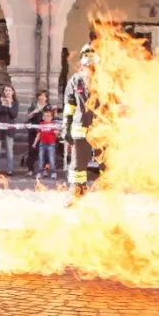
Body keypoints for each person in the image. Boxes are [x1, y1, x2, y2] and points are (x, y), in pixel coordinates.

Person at [63, 44, 98, 200]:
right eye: (86, 54)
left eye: (92, 54)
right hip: (80, 128)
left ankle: (108, 196)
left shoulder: (105, 79)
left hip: (101, 129)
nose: (89, 58)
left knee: (107, 165)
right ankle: (78, 193)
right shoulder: (75, 80)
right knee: (78, 165)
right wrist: (66, 126)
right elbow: (69, 106)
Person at [0, 84, 18, 176]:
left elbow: (14, 115)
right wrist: (3, 105)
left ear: (13, 92)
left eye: (9, 90)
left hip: (9, 129)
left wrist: (10, 104)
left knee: (9, 150)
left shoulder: (15, 102)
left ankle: (9, 169)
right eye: (6, 90)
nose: (7, 92)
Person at [25, 90, 52, 174]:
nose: (41, 97)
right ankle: (30, 169)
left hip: (45, 131)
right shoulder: (33, 105)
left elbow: (51, 118)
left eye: (43, 96)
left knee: (45, 150)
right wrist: (34, 111)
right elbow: (28, 116)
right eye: (40, 95)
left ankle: (45, 169)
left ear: (46, 98)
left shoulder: (49, 106)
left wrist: (44, 114)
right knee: (32, 149)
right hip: (33, 130)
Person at [33, 109, 59, 179]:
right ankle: (40, 172)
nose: (46, 117)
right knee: (41, 158)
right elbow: (39, 134)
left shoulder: (53, 124)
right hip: (42, 144)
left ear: (51, 117)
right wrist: (35, 142)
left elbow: (57, 134)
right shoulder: (41, 124)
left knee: (51, 159)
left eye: (48, 116)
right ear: (43, 117)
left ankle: (53, 172)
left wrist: (56, 133)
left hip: (51, 144)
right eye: (45, 116)